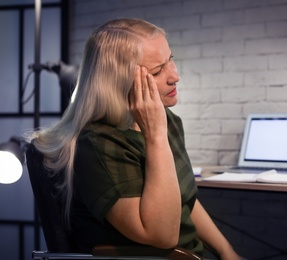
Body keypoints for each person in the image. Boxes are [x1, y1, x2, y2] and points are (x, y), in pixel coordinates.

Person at [29, 18, 241, 259]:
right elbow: (163, 236)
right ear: (119, 83)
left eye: (170, 59)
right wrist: (156, 137)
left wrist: (227, 252)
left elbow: (184, 199)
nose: (175, 76)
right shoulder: (99, 145)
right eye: (158, 70)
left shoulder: (166, 120)